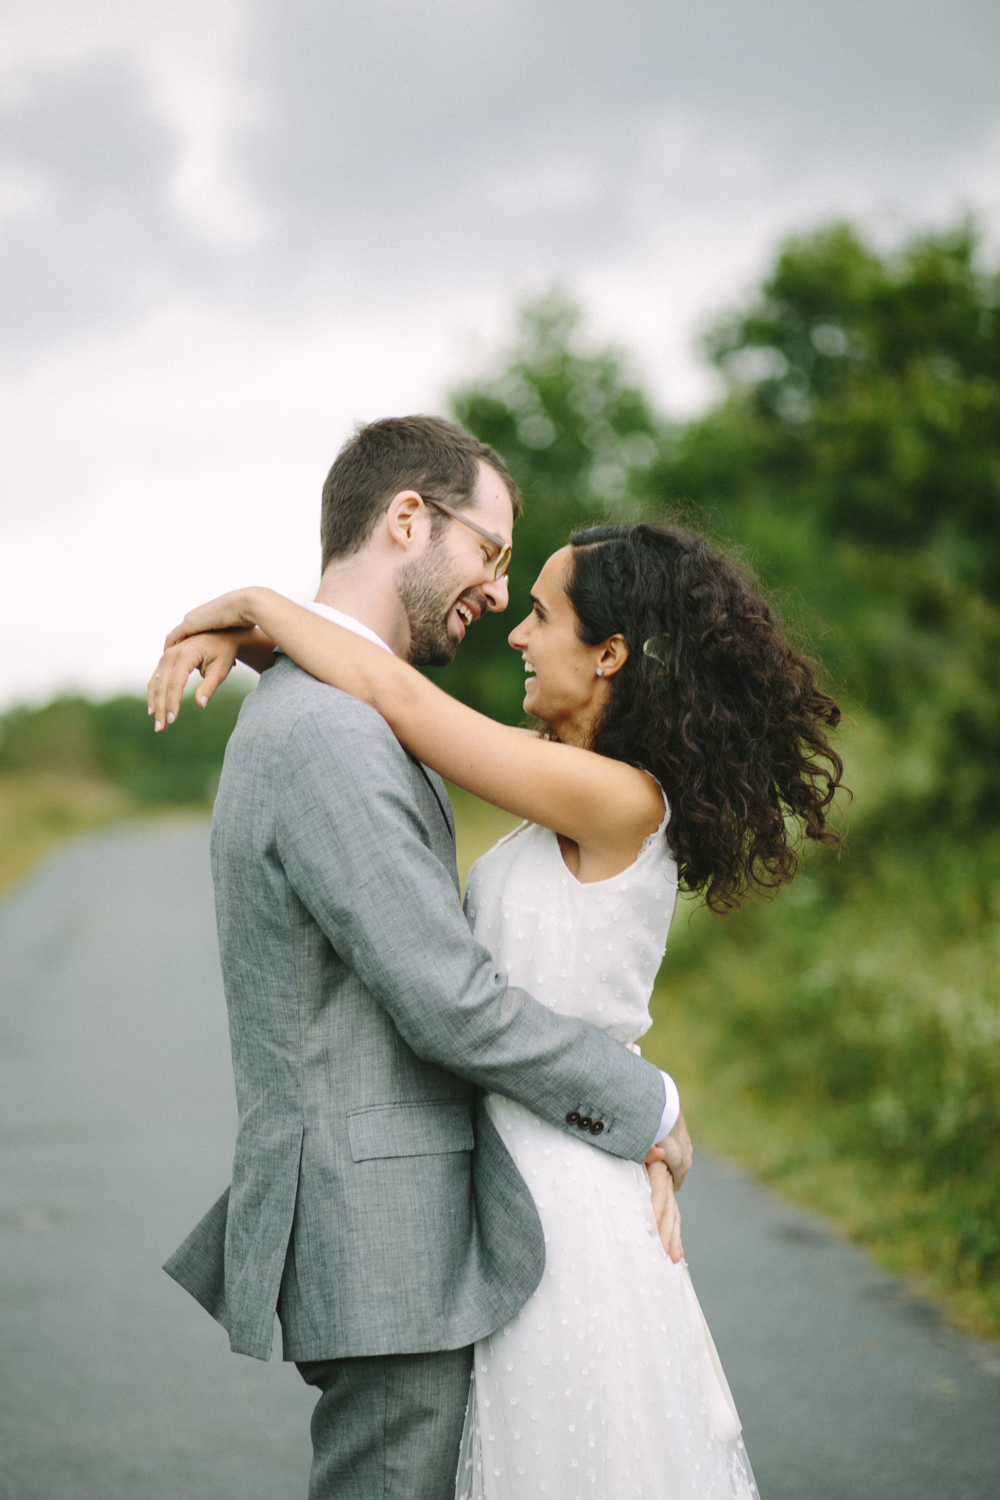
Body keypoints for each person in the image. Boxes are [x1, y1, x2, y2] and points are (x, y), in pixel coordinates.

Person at [153, 495, 845, 1497]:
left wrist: (259, 604)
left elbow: (408, 708)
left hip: (558, 1187)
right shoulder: (569, 779)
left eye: (542, 615)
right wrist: (278, 652)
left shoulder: (617, 794)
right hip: (522, 1168)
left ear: (609, 654)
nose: (515, 630)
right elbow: (380, 722)